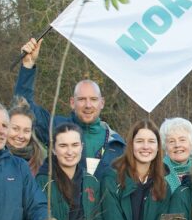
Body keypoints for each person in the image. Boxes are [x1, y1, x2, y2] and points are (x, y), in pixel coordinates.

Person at [15, 38, 124, 171]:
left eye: (93, 99)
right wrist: (27, 66)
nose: (88, 105)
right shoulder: (56, 128)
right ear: (72, 102)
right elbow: (24, 108)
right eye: (82, 99)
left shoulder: (117, 144)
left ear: (102, 103)